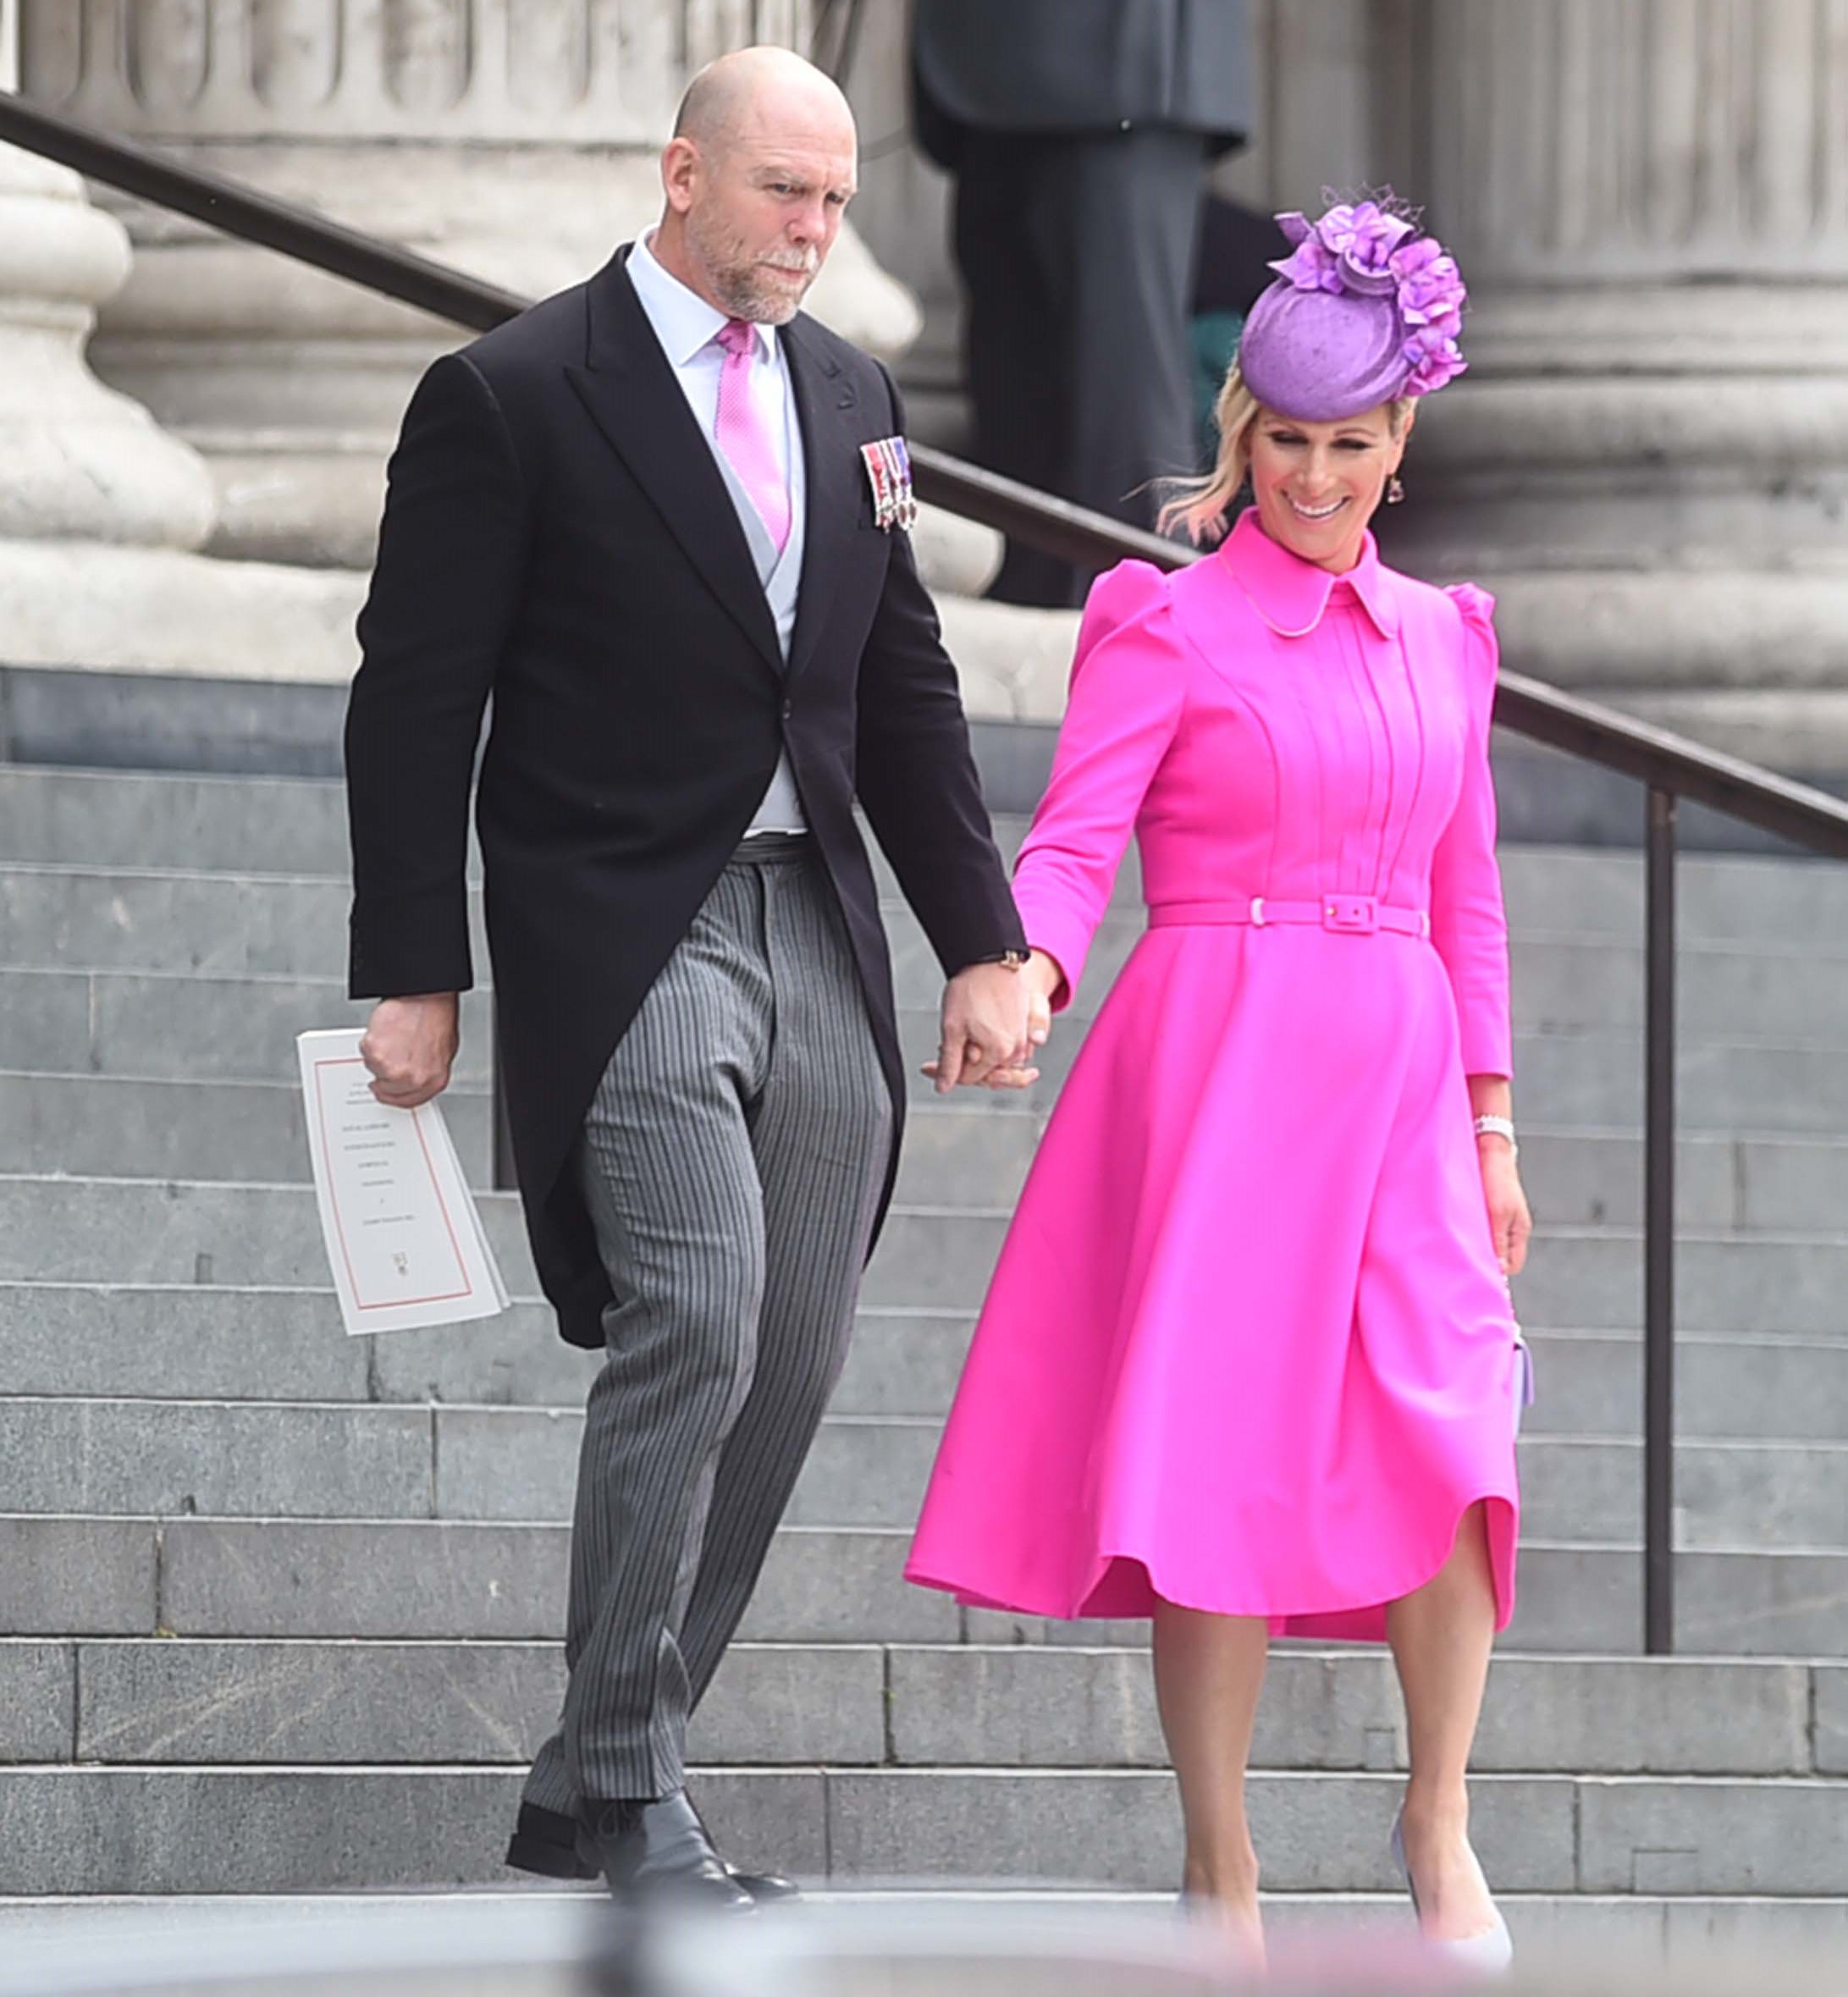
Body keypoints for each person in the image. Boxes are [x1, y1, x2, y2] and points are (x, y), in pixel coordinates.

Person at [345, 46, 1037, 1907]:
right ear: (680, 175)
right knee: (702, 1310)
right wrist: (418, 964)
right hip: (617, 922)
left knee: (795, 1349)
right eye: (781, 194)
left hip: (812, 916)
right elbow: (414, 697)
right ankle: (636, 1790)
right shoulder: (509, 391)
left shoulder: (852, 392)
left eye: (836, 201)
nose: (813, 231)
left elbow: (897, 681)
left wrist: (980, 936)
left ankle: (589, 1781)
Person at [907, 196, 1534, 1969]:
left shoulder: (1445, 637)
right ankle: (1219, 1861)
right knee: (1219, 1470)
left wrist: (1490, 1121)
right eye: (1283, 442)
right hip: (1220, 1072)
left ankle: (1433, 1816)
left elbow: (1464, 901)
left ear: (1396, 440)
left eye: (1347, 443)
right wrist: (1023, 970)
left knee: (1449, 1433)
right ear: (1237, 437)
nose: (1313, 476)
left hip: (1403, 1084)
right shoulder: (1158, 621)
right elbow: (1071, 845)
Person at [911, 0, 1252, 609]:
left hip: (1121, 58)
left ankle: (1155, 657)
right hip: (993, 73)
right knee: (1018, 415)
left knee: (1121, 418)